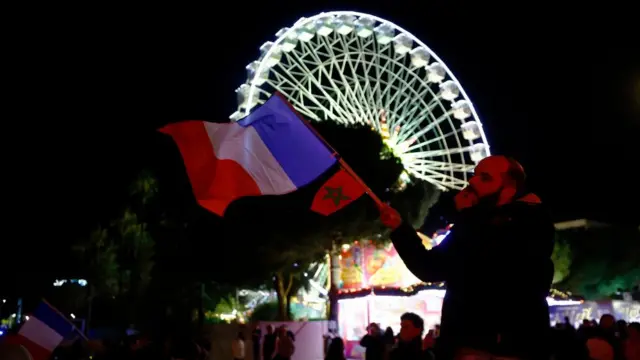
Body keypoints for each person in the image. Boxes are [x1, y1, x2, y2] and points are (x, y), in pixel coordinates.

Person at [380, 155, 555, 359]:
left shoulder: (528, 222)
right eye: (474, 176)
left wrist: (467, 216)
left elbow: (494, 267)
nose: (472, 182)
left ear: (508, 190)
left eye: (485, 178)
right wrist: (400, 228)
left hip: (499, 347)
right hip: (474, 344)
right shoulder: (476, 224)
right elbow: (431, 267)